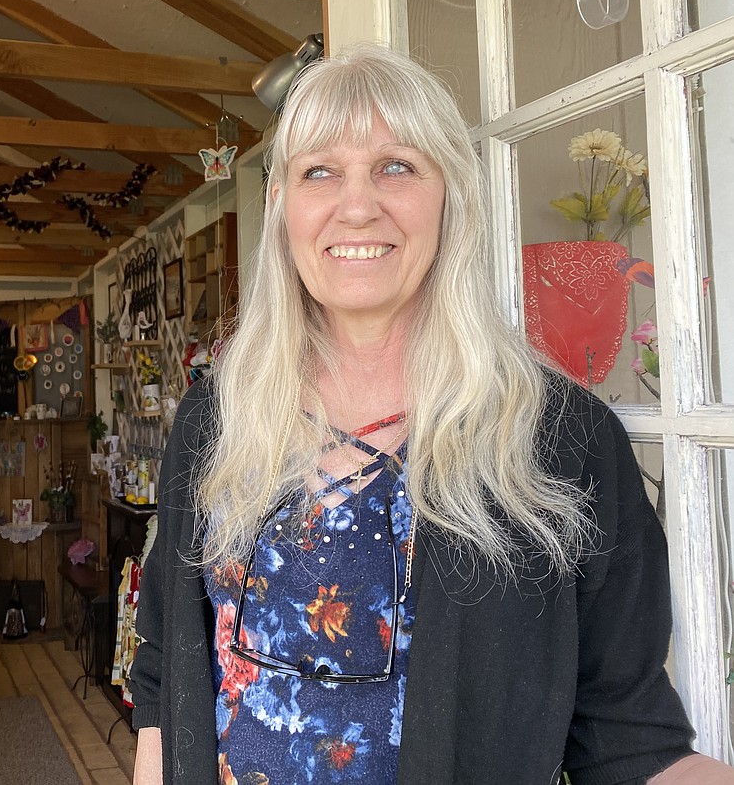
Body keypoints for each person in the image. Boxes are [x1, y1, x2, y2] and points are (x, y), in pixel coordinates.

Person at [128, 44, 734, 784]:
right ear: (284, 204)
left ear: (451, 196)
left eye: (397, 166)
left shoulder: (558, 443)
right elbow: (166, 668)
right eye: (320, 170)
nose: (358, 204)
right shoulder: (215, 420)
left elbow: (628, 737)